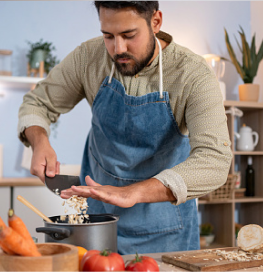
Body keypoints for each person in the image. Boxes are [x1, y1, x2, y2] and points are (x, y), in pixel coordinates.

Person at [18, 1, 232, 254]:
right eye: (108, 36)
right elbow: (37, 102)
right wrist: (39, 140)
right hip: (96, 222)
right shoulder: (89, 57)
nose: (118, 48)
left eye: (129, 35)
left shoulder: (192, 74)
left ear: (156, 22)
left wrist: (134, 192)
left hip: (167, 229)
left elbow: (214, 160)